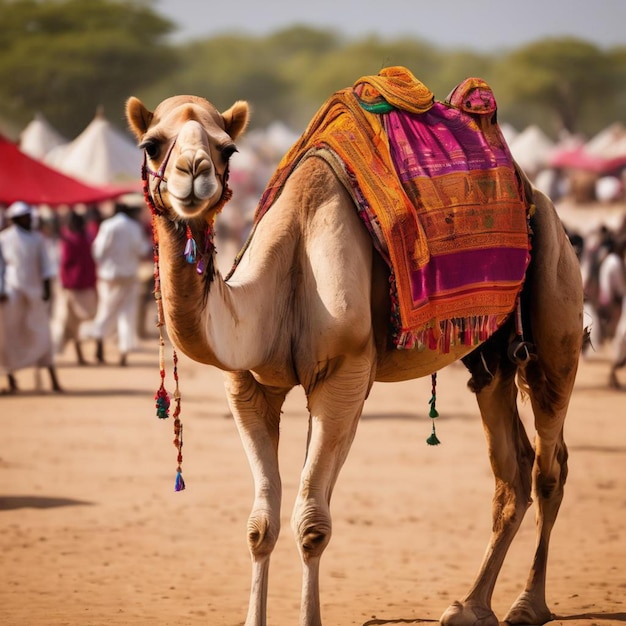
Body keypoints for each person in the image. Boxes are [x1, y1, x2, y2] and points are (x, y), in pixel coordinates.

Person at [0, 201, 62, 392]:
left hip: (35, 295)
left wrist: (47, 291)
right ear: (17, 219)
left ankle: (53, 380)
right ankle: (9, 378)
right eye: (26, 217)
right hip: (11, 295)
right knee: (8, 336)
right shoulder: (3, 239)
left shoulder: (37, 239)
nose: (30, 220)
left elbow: (46, 268)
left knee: (42, 335)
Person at [86, 194, 151, 366]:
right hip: (129, 276)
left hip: (109, 277)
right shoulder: (134, 227)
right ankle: (123, 353)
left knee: (106, 310)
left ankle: (98, 344)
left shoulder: (108, 226)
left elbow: (98, 252)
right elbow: (143, 250)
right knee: (127, 314)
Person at [51, 208, 98, 365]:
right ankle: (93, 352)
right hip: (86, 285)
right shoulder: (87, 238)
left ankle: (78, 354)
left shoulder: (68, 241)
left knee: (69, 323)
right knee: (87, 320)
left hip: (71, 286)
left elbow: (64, 263)